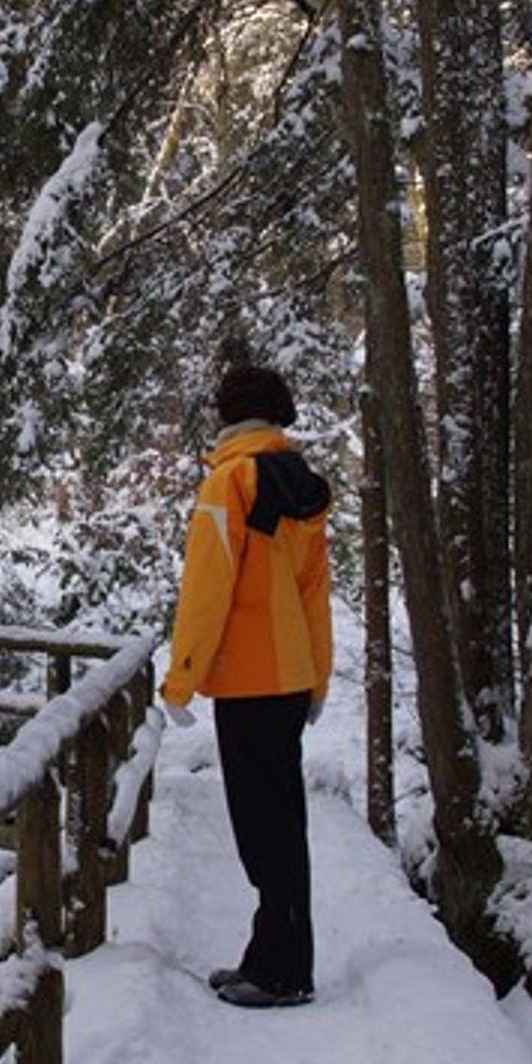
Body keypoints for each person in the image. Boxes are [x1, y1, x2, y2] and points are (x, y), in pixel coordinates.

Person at [160, 363, 333, 1008]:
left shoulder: (230, 481)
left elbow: (207, 589)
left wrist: (181, 679)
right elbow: (315, 593)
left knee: (262, 829)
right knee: (281, 823)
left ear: (227, 414)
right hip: (287, 678)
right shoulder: (297, 482)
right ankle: (274, 958)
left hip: (247, 680)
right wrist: (317, 679)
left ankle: (281, 973)